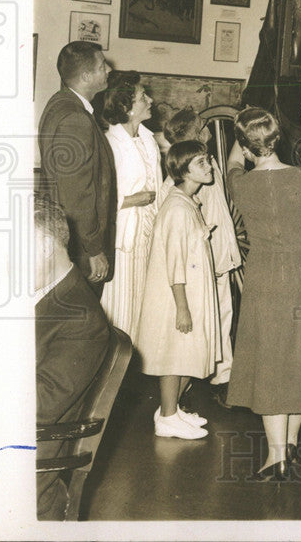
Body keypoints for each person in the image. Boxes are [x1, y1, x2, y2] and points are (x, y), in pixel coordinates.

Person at [224, 107, 301, 481]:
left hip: (264, 277)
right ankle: (290, 444)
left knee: (271, 362)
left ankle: (277, 455)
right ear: (279, 139)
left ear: (245, 146)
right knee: (299, 358)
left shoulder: (240, 183)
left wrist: (238, 143)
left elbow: (231, 166)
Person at [135, 140, 221, 439]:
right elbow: (175, 263)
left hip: (191, 294)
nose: (209, 166)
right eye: (201, 163)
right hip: (178, 297)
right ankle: (167, 416)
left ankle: (170, 410)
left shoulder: (187, 202)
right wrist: (182, 307)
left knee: (188, 354)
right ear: (183, 171)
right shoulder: (176, 209)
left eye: (207, 159)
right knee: (174, 355)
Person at [34, 193, 110, 520]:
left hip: (25, 466)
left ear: (46, 246)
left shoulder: (82, 319)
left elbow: (39, 405)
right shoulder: (41, 291)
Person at [159, 109, 242, 405]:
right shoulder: (183, 179)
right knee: (210, 321)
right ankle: (212, 378)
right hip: (205, 260)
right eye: (202, 127)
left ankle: (220, 373)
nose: (208, 131)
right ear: (192, 134)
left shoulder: (208, 165)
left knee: (223, 315)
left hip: (221, 252)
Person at [38, 41, 116, 292]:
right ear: (86, 76)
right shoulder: (76, 119)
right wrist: (94, 250)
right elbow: (77, 194)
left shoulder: (59, 103)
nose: (109, 71)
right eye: (102, 66)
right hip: (80, 249)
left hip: (66, 239)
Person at [96, 71, 161, 339]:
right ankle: (113, 376)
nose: (150, 101)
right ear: (126, 107)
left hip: (146, 237)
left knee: (141, 311)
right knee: (120, 309)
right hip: (123, 241)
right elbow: (96, 196)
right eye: (143, 96)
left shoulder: (147, 139)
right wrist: (131, 200)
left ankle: (130, 375)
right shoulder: (110, 143)